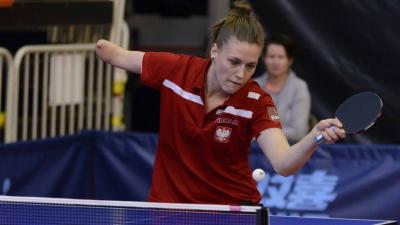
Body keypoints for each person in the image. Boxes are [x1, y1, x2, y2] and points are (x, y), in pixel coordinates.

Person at [96, 0, 345, 205]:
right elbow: (112, 53)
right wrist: (102, 45)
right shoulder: (176, 70)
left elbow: (283, 163)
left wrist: (315, 137)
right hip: (169, 209)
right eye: (234, 62)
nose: (241, 74)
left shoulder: (256, 102)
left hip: (231, 211)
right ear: (214, 51)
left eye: (251, 66)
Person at [254, 34, 311, 143]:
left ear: (289, 61)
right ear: (264, 59)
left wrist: (261, 133)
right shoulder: (254, 86)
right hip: (254, 152)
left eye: (281, 57)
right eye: (271, 57)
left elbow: (299, 132)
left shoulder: (299, 87)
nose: (275, 62)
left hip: (290, 151)